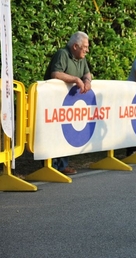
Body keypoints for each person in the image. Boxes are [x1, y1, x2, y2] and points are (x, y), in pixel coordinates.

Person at [43, 31, 92, 175]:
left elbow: (87, 73)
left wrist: (87, 81)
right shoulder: (62, 54)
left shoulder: (81, 58)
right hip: (52, 103)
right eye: (85, 47)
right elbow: (56, 74)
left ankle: (62, 166)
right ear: (75, 46)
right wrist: (76, 80)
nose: (87, 50)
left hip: (68, 104)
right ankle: (50, 166)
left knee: (66, 132)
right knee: (53, 133)